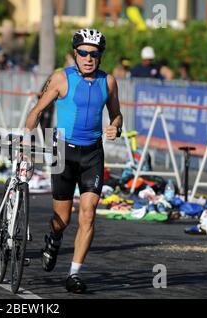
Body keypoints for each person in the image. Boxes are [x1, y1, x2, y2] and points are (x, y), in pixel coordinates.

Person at [25, 28, 123, 293]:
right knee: (62, 219)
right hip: (61, 151)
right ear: (75, 54)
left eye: (94, 54)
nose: (88, 58)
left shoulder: (109, 81)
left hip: (92, 153)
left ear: (100, 56)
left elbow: (117, 115)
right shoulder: (60, 78)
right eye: (83, 53)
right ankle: (54, 239)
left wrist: (116, 126)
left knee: (88, 215)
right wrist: (26, 141)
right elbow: (36, 111)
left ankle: (74, 274)